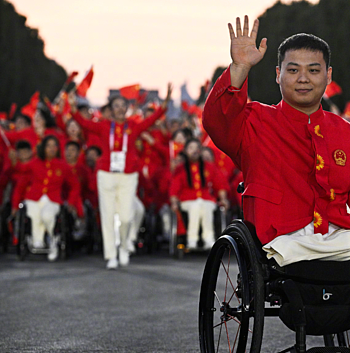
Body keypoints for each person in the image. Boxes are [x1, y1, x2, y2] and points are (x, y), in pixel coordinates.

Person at [203, 17, 350, 279]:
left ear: (328, 75)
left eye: (313, 70)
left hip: (337, 239)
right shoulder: (254, 121)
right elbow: (217, 120)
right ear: (278, 74)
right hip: (279, 240)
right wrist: (240, 67)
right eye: (293, 70)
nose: (303, 79)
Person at [68, 84, 172, 269]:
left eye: (122, 105)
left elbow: (151, 121)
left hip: (128, 174)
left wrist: (164, 105)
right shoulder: (103, 126)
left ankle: (124, 246)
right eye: (116, 106)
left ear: (127, 108)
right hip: (106, 173)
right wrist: (72, 108)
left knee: (125, 216)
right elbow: (84, 123)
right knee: (107, 215)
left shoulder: (133, 126)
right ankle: (111, 255)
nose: (120, 109)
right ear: (111, 109)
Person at [11, 135, 81, 261]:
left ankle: (53, 240)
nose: (51, 148)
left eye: (54, 146)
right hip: (34, 197)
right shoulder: (33, 164)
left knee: (47, 215)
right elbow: (20, 186)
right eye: (48, 146)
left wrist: (71, 202)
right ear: (43, 147)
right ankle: (37, 239)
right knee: (33, 214)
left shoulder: (62, 166)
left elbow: (75, 185)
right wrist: (15, 205)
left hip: (53, 199)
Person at [169, 138, 229, 250]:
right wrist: (173, 202)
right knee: (196, 206)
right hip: (187, 200)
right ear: (186, 151)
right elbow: (174, 189)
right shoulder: (180, 168)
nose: (194, 151)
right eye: (191, 148)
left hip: (206, 200)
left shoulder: (209, 167)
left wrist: (223, 199)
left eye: (197, 148)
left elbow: (219, 185)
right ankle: (192, 239)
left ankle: (208, 238)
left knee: (204, 206)